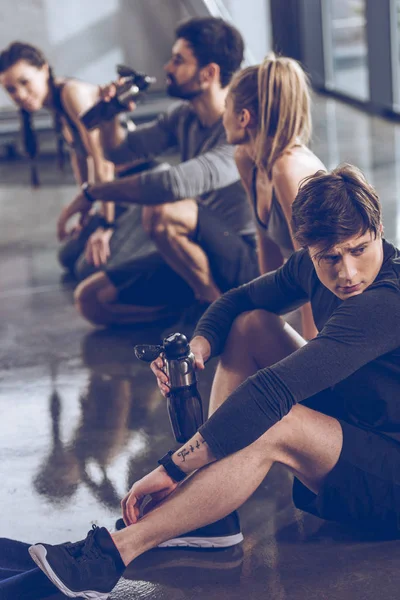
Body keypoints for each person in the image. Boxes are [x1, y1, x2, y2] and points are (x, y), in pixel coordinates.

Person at [29, 164, 400, 598]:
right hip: (361, 425)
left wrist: (174, 467)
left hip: (390, 474)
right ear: (310, 251)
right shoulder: (311, 267)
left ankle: (113, 555)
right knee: (250, 325)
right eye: (330, 258)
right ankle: (212, 516)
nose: (348, 272)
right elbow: (236, 300)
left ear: (378, 230)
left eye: (359, 250)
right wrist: (199, 347)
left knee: (275, 420)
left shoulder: (386, 302)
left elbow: (273, 392)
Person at [56, 17, 258, 326]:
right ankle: (190, 309)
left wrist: (92, 192)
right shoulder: (184, 117)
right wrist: (111, 115)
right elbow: (120, 151)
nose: (167, 67)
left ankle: (217, 313)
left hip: (242, 257)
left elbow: (172, 184)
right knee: (90, 299)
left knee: (162, 210)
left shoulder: (241, 128)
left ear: (209, 73)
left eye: (178, 60)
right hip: (195, 251)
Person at [222, 53, 325, 339]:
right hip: (312, 292)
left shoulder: (287, 170)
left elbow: (313, 269)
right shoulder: (248, 159)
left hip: (341, 298)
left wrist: (314, 354)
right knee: (248, 325)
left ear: (244, 118)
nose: (222, 116)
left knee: (249, 331)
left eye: (226, 107)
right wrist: (264, 312)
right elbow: (266, 245)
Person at [0, 41, 115, 278]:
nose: (20, 94)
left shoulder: (72, 94)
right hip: (115, 193)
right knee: (68, 256)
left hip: (134, 189)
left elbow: (104, 163)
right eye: (11, 89)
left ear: (43, 69)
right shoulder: (57, 105)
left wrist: (106, 225)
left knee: (87, 267)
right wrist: (85, 212)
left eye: (24, 82)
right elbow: (81, 159)